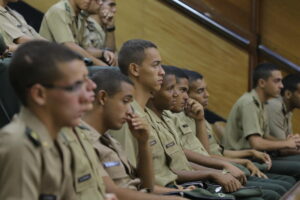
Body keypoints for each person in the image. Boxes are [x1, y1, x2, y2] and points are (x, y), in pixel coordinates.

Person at [177, 68, 296, 198]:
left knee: (284, 184)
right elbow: (256, 143)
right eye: (200, 91)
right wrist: (244, 158)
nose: (207, 95)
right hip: (215, 169)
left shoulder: (200, 117)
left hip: (227, 162)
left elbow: (213, 153)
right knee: (279, 189)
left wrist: (246, 157)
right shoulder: (249, 102)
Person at [0, 40, 94, 199]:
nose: (88, 96)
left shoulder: (56, 140)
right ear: (39, 94)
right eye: (77, 85)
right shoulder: (20, 145)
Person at [80, 68, 187, 200]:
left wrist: (143, 143)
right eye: (125, 101)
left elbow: (147, 186)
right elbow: (113, 191)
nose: (130, 111)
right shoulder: (84, 140)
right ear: (103, 98)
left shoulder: (110, 141)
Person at [222, 63, 300, 180]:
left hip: (258, 156)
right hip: (241, 159)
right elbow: (256, 143)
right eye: (277, 81)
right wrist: (286, 143)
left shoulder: (262, 102)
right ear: (262, 83)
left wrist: (289, 141)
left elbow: (265, 136)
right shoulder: (249, 103)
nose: (281, 86)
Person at [40, 0, 116, 66]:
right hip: (48, 64)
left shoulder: (80, 16)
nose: (88, 1)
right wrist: (103, 67)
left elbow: (85, 48)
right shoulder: (59, 10)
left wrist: (103, 53)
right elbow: (70, 46)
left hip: (65, 64)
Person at [266, 73, 300, 142]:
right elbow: (283, 147)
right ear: (288, 94)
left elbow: (289, 142)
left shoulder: (288, 111)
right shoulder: (274, 106)